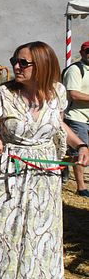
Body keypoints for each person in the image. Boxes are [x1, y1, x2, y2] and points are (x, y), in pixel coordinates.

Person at [0, 42, 89, 279]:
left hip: (45, 175)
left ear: (42, 65)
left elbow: (59, 125)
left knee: (42, 231)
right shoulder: (4, 93)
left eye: (23, 62)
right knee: (7, 230)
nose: (16, 66)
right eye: (15, 60)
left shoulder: (57, 93)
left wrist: (80, 146)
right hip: (12, 171)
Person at [63, 40, 89, 197]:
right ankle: (81, 187)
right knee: (79, 151)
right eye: (88, 51)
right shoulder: (75, 70)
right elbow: (73, 93)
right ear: (82, 53)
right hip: (76, 117)